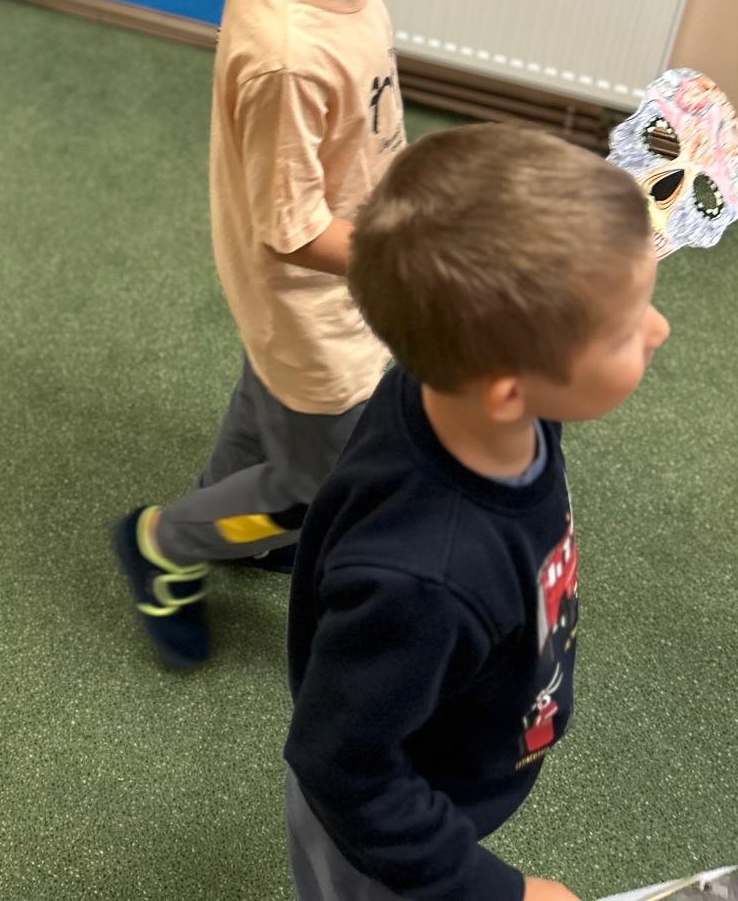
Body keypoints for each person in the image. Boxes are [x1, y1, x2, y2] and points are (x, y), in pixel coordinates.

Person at [112, 0, 428, 669]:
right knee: (307, 485)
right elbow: (290, 230)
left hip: (309, 299)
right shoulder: (288, 52)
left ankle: (234, 507)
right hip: (318, 298)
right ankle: (168, 541)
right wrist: (409, 250)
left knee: (272, 405)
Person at [284, 123, 669, 901]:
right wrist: (499, 892)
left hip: (458, 728)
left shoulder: (453, 381)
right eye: (628, 329)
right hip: (385, 833)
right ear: (508, 390)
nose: (659, 330)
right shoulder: (426, 579)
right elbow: (343, 767)